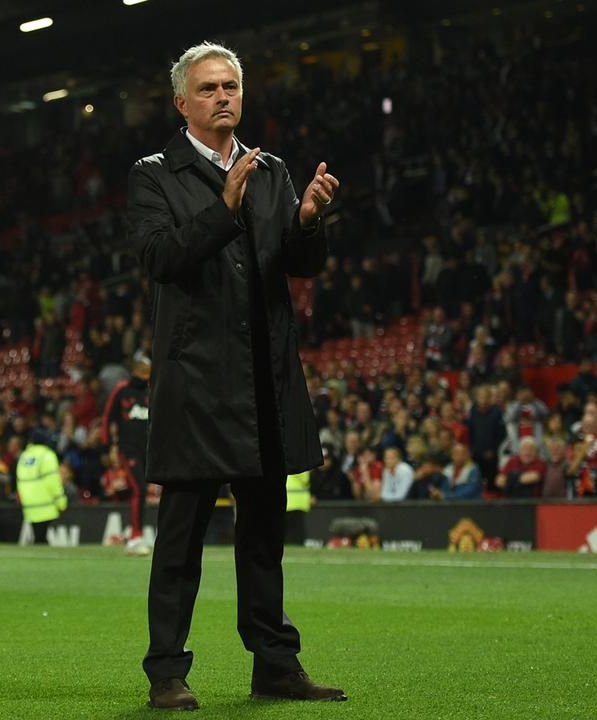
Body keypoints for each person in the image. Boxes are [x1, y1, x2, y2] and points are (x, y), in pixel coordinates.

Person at [127, 42, 345, 709]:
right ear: (181, 102)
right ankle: (167, 670)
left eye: (231, 86)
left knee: (263, 535)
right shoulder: (154, 174)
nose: (223, 96)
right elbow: (159, 258)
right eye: (210, 88)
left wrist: (309, 223)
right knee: (181, 539)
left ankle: (274, 664)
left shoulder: (272, 171)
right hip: (197, 380)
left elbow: (297, 266)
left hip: (262, 376)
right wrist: (222, 208)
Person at [101, 351, 152, 556]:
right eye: (143, 370)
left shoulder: (152, 390)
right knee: (138, 488)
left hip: (149, 448)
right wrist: (108, 446)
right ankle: (135, 536)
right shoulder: (122, 390)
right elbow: (107, 418)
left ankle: (138, 535)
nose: (146, 374)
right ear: (135, 370)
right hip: (129, 448)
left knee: (143, 490)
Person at [15, 429, 68, 544]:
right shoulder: (47, 455)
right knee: (41, 537)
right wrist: (61, 501)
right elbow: (53, 481)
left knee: (39, 536)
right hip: (45, 504)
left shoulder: (24, 456)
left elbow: (20, 480)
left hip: (29, 504)